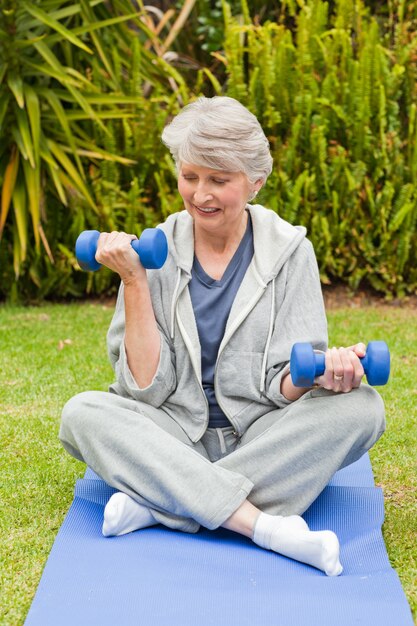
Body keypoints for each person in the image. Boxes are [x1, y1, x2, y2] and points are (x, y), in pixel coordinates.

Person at [60, 96, 385, 577]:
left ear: (254, 182)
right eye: (190, 176)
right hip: (173, 431)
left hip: (261, 434)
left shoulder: (291, 253)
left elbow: (283, 384)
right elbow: (144, 388)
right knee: (83, 413)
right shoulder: (154, 251)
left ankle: (161, 504)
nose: (200, 194)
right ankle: (265, 527)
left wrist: (328, 377)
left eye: (218, 179)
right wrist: (133, 281)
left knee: (362, 408)